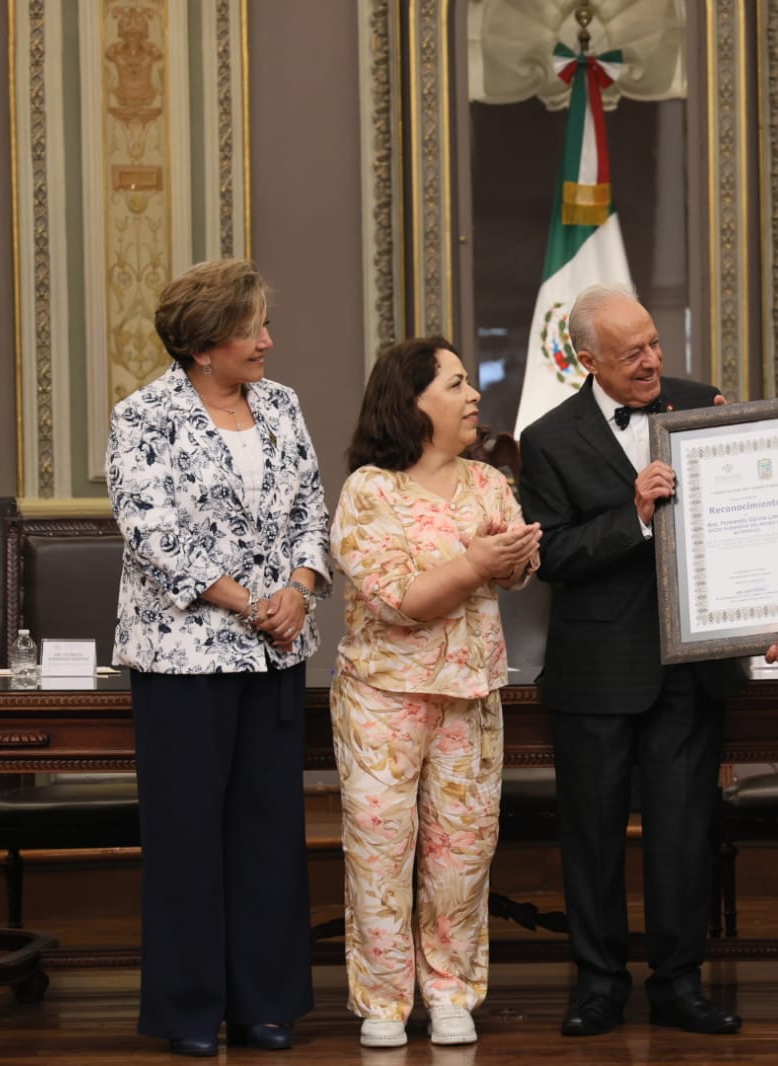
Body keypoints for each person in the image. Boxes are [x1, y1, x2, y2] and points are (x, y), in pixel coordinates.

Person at [107, 258, 329, 1057]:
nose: (267, 340)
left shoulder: (282, 404)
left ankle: (264, 1003)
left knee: (269, 832)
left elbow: (311, 506)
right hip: (183, 659)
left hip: (276, 651)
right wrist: (250, 601)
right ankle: (190, 1008)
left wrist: (300, 587)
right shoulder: (143, 416)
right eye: (250, 329)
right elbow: (154, 534)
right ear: (204, 344)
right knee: (187, 835)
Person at [516, 284, 749, 1038]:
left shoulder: (700, 405)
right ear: (587, 361)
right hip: (595, 671)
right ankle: (597, 984)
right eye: (630, 353)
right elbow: (550, 555)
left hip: (690, 664)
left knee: (684, 836)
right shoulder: (547, 438)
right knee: (591, 837)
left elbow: (743, 519)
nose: (651, 361)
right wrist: (634, 517)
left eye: (652, 343)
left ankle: (680, 984)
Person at [329, 337, 541, 1050]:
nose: (473, 395)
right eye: (455, 384)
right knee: (381, 852)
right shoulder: (369, 490)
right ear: (413, 401)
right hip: (382, 699)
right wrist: (478, 559)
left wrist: (511, 558)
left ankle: (451, 992)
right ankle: (384, 1002)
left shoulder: (488, 483)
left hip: (470, 696)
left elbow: (517, 573)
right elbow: (399, 601)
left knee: (463, 853)